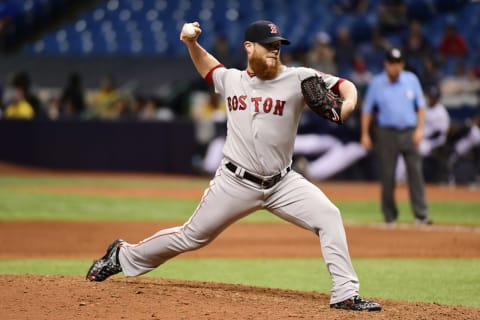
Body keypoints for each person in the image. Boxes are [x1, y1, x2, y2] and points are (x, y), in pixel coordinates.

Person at [85, 20, 381, 312]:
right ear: (249, 47)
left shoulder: (298, 77)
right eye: (268, 46)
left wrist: (347, 106)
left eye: (278, 46)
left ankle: (345, 294)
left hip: (283, 183)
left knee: (329, 216)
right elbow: (209, 67)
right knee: (192, 236)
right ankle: (123, 255)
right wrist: (191, 42)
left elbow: (346, 85)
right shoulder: (232, 80)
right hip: (234, 182)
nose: (274, 51)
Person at [361, 48, 432, 226]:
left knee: (415, 173)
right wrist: (364, 134)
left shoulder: (411, 80)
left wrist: (419, 129)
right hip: (387, 133)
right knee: (388, 175)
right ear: (386, 64)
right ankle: (389, 216)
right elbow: (367, 110)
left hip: (409, 131)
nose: (395, 66)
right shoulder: (377, 83)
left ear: (402, 64)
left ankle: (421, 215)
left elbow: (421, 106)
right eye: (392, 62)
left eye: (398, 62)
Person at [395, 86, 451, 183]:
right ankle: (400, 177)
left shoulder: (441, 112)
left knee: (412, 150)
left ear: (438, 98)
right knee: (403, 149)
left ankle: (409, 178)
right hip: (422, 139)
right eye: (430, 96)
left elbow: (439, 133)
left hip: (434, 142)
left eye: (433, 97)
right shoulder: (425, 108)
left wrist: (423, 136)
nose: (431, 98)